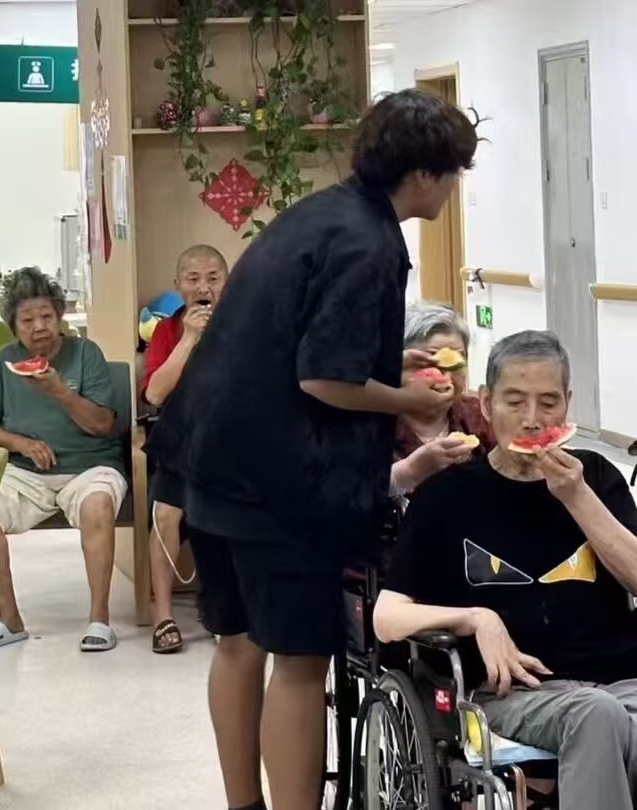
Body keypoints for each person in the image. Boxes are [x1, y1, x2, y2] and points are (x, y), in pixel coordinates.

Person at [145, 89, 479, 810]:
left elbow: (295, 341)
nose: (454, 187)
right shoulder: (371, 242)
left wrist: (389, 368)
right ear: (424, 173)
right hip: (277, 483)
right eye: (453, 172)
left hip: (207, 462)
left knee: (237, 643)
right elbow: (324, 379)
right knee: (300, 662)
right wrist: (411, 400)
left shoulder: (319, 214)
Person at [374, 330, 637, 810]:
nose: (533, 419)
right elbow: (386, 617)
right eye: (515, 402)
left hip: (621, 682)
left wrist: (577, 497)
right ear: (486, 403)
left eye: (548, 403)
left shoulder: (597, 477)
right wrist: (475, 618)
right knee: (595, 712)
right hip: (512, 694)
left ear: (568, 405)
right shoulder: (447, 495)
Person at [0, 266, 128, 653]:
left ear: (60, 317)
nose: (39, 327)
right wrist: (20, 443)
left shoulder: (86, 354)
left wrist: (59, 391)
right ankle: (9, 619)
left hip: (90, 467)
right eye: (27, 320)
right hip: (25, 473)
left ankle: (99, 620)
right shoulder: (2, 362)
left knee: (98, 505)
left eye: (46, 317)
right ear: (13, 326)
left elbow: (103, 424)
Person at [142, 244, 229, 654]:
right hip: (181, 441)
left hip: (231, 443)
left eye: (213, 278)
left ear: (227, 283)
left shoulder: (245, 324)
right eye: (193, 279)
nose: (203, 287)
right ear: (178, 285)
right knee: (165, 513)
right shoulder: (166, 331)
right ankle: (162, 615)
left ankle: (223, 608)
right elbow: (155, 394)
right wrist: (189, 339)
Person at [391, 301, 493, 496]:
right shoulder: (367, 421)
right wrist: (410, 471)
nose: (446, 376)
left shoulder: (482, 415)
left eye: (456, 363)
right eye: (431, 361)